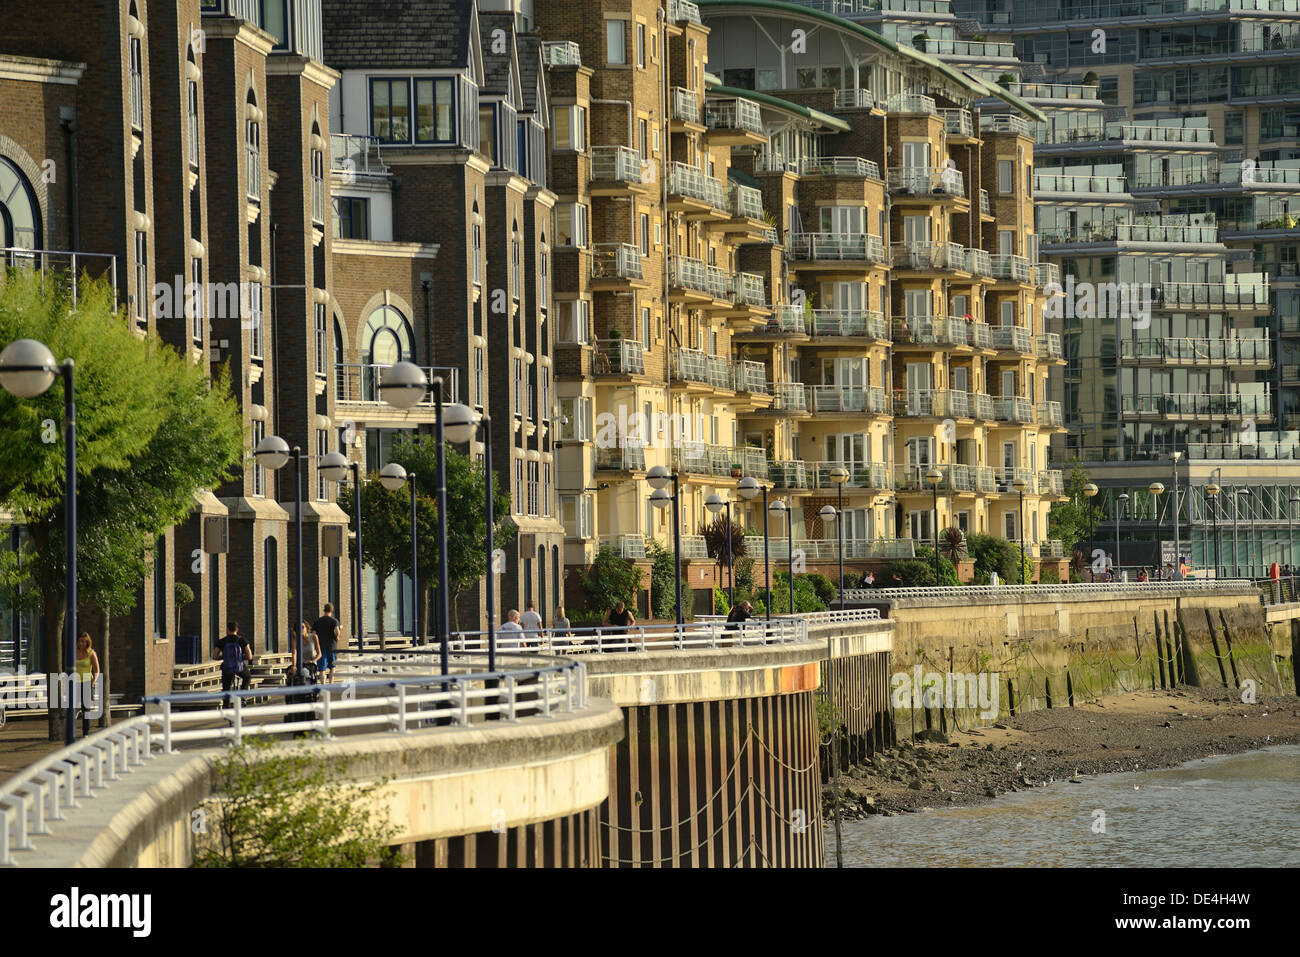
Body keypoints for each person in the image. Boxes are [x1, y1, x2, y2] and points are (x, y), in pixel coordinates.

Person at [73, 632, 101, 738]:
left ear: (88, 643)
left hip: (86, 682)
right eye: (80, 641)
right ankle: (71, 730)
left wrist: (93, 681)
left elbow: (97, 670)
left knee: (86, 708)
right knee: (73, 707)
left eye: (84, 642)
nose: (82, 644)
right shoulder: (74, 652)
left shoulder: (91, 653)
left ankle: (86, 732)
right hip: (75, 682)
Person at [216, 622, 253, 692]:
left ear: (227, 630)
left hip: (227, 667)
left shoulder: (222, 641)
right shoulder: (242, 640)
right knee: (248, 677)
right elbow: (250, 656)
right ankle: (242, 695)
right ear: (237, 629)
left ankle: (226, 701)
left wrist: (224, 657)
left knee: (226, 687)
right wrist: (250, 667)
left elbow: (215, 656)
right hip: (239, 666)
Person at [311, 602, 342, 684]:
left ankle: (323, 684)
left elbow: (313, 633)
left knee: (322, 668)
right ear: (331, 611)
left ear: (324, 610)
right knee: (332, 667)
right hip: (332, 647)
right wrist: (337, 637)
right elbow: (337, 632)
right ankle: (331, 683)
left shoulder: (318, 621)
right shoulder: (334, 621)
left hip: (321, 647)